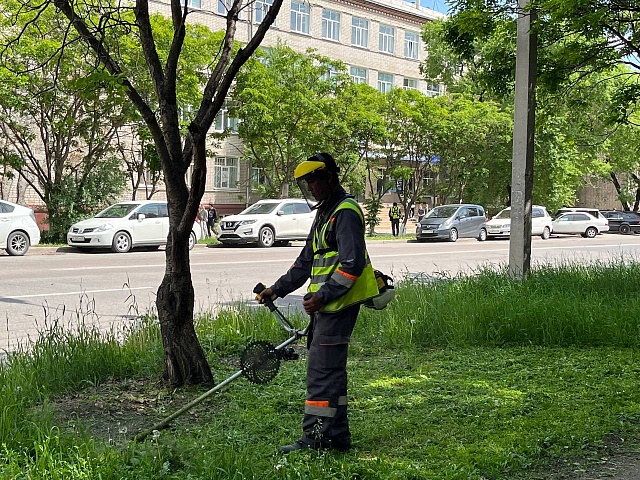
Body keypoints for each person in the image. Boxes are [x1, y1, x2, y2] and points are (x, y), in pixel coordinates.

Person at [258, 152, 378, 454]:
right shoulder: (325, 212)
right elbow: (306, 261)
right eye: (306, 183)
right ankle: (336, 437)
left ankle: (315, 440)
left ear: (329, 177)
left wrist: (322, 296)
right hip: (327, 307)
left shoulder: (345, 212)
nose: (310, 188)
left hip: (338, 305)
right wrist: (277, 290)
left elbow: (350, 264)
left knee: (321, 374)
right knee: (331, 373)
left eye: (314, 181)